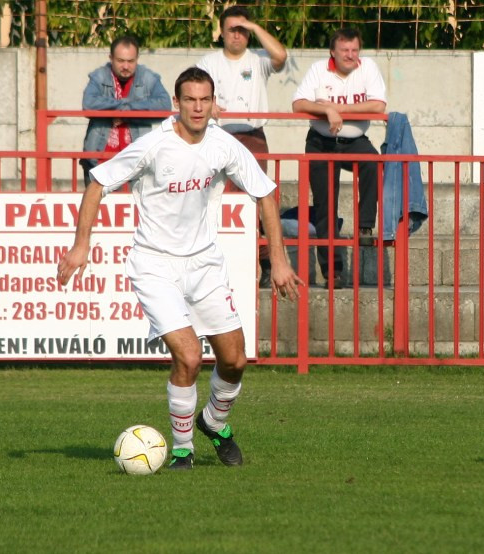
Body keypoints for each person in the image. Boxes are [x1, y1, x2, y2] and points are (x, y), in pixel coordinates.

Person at [57, 67, 303, 470]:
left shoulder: (224, 144)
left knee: (236, 360)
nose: (198, 107)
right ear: (177, 102)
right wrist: (81, 245)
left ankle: (214, 423)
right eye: (190, 99)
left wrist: (278, 259)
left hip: (204, 264)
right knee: (188, 356)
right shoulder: (154, 145)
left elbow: (265, 193)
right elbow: (98, 183)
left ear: (213, 103)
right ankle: (183, 451)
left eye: (205, 100)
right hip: (155, 265)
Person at [198, 5, 288, 288]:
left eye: (242, 30)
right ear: (221, 33)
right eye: (232, 30)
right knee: (218, 197)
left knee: (258, 198)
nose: (237, 36)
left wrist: (255, 28)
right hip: (218, 136)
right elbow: (193, 90)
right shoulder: (208, 62)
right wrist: (209, 104)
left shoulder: (258, 59)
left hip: (252, 136)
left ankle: (261, 260)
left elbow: (281, 56)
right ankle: (222, 260)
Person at [292, 27, 387, 288]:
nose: (350, 55)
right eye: (345, 50)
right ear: (333, 51)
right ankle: (332, 272)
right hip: (321, 142)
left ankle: (365, 226)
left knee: (373, 163)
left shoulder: (368, 68)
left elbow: (378, 105)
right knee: (326, 207)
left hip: (355, 140)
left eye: (355, 50)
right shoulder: (318, 69)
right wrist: (326, 111)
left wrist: (337, 108)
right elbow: (298, 104)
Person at [81, 35, 171, 187]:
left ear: (137, 59)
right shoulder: (99, 76)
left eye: (131, 61)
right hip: (99, 161)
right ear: (111, 58)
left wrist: (128, 112)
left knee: (134, 210)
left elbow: (164, 105)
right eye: (120, 61)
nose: (126, 66)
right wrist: (121, 108)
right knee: (97, 210)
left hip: (136, 162)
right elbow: (88, 104)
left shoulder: (148, 77)